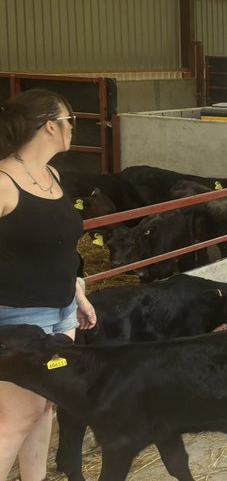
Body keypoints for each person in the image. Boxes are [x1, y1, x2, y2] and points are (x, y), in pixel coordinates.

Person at [0, 89, 98, 480]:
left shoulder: (52, 176)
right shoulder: (3, 183)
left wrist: (77, 293)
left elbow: (59, 247)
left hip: (62, 313)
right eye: (70, 120)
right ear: (50, 127)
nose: (74, 127)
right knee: (15, 418)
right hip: (19, 317)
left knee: (44, 407)